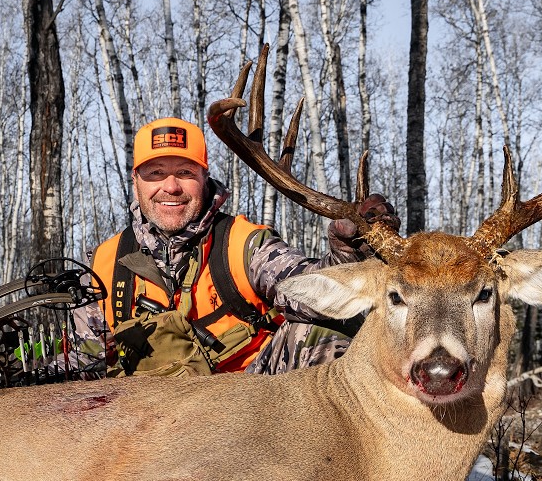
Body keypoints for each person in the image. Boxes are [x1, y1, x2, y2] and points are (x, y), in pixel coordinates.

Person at [70, 117, 397, 378]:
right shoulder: (101, 266)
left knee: (316, 342)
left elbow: (310, 294)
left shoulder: (245, 245)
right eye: (156, 174)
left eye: (184, 172)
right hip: (144, 427)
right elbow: (82, 363)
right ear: (135, 181)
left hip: (245, 413)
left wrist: (346, 252)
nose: (170, 187)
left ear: (203, 176)